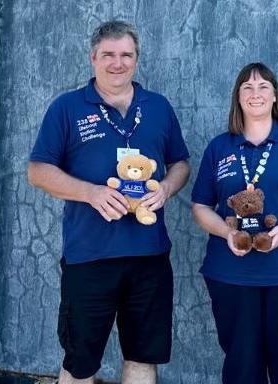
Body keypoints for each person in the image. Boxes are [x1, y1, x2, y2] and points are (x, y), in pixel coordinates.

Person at [28, 20, 190, 384]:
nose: (118, 63)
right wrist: (92, 193)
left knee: (143, 358)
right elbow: (37, 171)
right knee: (79, 363)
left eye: (126, 55)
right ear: (93, 58)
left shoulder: (158, 107)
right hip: (89, 258)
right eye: (109, 55)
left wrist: (165, 187)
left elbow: (181, 163)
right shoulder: (67, 108)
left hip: (149, 257)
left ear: (136, 59)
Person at [191, 62, 278, 384]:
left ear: (274, 97)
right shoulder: (219, 147)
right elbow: (200, 206)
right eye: (247, 88)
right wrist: (227, 232)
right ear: (238, 98)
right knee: (242, 369)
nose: (255, 94)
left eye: (263, 87)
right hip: (232, 274)